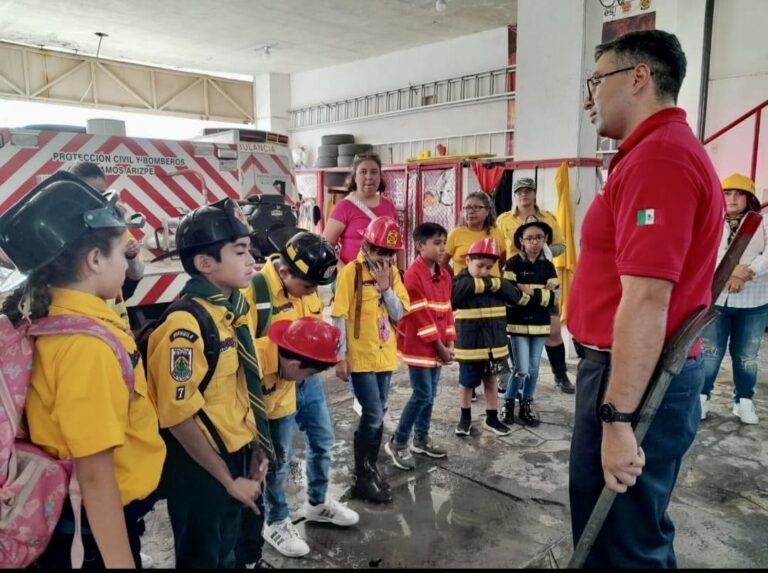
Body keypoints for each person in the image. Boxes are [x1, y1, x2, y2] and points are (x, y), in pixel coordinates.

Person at [568, 30, 723, 567]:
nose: (591, 98)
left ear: (638, 78)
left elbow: (648, 301)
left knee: (621, 543)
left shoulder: (660, 159)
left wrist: (617, 419)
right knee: (620, 531)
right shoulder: (651, 154)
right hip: (630, 370)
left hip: (634, 377)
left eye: (597, 82)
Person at [0, 171, 165, 568]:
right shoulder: (86, 347)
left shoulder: (44, 317)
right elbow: (95, 475)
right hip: (87, 524)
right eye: (123, 252)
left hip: (74, 515)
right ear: (95, 260)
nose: (128, 265)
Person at [146, 198, 273, 568]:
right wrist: (227, 480)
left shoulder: (236, 308)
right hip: (201, 466)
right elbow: (178, 416)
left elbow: (239, 389)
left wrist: (258, 448)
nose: (253, 260)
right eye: (240, 251)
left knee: (229, 552)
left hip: (239, 453)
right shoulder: (184, 327)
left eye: (251, 250)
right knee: (203, 556)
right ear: (205, 263)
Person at [244, 231, 359, 559]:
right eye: (308, 287)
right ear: (284, 273)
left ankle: (318, 502)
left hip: (306, 381)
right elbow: (241, 351)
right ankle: (276, 520)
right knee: (276, 461)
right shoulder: (255, 292)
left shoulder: (307, 288)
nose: (312, 293)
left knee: (323, 440)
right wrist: (280, 359)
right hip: (275, 388)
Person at [243, 317, 348, 562]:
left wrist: (269, 450)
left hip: (274, 408)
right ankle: (272, 522)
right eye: (308, 374)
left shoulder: (289, 372)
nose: (306, 381)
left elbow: (278, 408)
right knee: (250, 473)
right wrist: (255, 446)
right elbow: (236, 412)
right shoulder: (251, 362)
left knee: (280, 459)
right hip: (238, 424)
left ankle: (290, 513)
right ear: (293, 363)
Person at [331, 216, 410, 503]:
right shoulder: (350, 273)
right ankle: (362, 476)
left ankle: (370, 469)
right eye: (378, 250)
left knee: (378, 412)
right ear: (366, 245)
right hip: (360, 357)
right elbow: (339, 315)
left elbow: (400, 314)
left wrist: (386, 286)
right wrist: (339, 357)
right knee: (373, 414)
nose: (384, 257)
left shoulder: (394, 275)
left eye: (389, 253)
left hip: (385, 356)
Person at [385, 222, 455, 471]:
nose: (442, 248)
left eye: (443, 243)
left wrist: (450, 340)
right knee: (423, 393)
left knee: (431, 393)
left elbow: (446, 310)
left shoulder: (444, 274)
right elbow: (420, 316)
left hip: (437, 346)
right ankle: (398, 442)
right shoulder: (413, 275)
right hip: (419, 346)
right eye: (436, 243)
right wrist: (440, 347)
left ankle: (421, 439)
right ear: (420, 246)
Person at [496, 177, 575, 394]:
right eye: (520, 191)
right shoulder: (503, 220)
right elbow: (499, 249)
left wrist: (546, 250)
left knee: (553, 330)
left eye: (528, 191)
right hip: (516, 280)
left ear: (534, 193)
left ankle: (560, 375)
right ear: (515, 195)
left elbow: (562, 245)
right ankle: (518, 376)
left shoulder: (547, 218)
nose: (524, 195)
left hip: (543, 279)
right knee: (515, 331)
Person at [700, 173, 768, 425]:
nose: (732, 198)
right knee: (709, 353)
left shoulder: (764, 223)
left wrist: (746, 273)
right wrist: (730, 269)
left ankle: (743, 401)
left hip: (754, 303)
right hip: (717, 301)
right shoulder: (712, 222)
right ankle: (701, 397)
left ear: (750, 198)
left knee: (746, 355)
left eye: (739, 194)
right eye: (727, 193)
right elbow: (704, 253)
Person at [451, 237, 525, 438]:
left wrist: (495, 282)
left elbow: (515, 296)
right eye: (480, 266)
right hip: (470, 346)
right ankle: (465, 418)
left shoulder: (498, 283)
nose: (484, 271)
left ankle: (492, 418)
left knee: (491, 381)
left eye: (490, 267)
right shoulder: (460, 282)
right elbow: (454, 296)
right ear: (467, 261)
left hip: (495, 345)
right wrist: (490, 284)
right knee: (467, 383)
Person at [68, 161, 144, 326]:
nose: (97, 200)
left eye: (102, 193)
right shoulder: (64, 234)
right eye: (89, 194)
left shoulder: (116, 225)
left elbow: (136, 274)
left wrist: (131, 257)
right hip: (86, 324)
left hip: (116, 322)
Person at [501, 221, 559, 427]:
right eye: (530, 238)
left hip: (541, 325)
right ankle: (508, 402)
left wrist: (530, 292)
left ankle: (526, 404)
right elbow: (509, 294)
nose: (535, 242)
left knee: (534, 368)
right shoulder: (512, 263)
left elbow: (554, 298)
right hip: (517, 325)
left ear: (545, 240)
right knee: (521, 368)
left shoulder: (548, 266)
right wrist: (534, 297)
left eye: (539, 238)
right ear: (521, 241)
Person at [323, 153, 404, 270]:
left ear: (380, 176)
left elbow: (398, 243)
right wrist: (345, 272)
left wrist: (401, 273)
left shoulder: (388, 205)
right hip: (353, 281)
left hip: (384, 280)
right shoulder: (344, 206)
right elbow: (326, 245)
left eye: (374, 172)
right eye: (363, 172)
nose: (369, 176)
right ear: (355, 177)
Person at [445, 191, 507, 278]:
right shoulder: (455, 233)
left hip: (492, 287)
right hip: (465, 287)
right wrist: (456, 278)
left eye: (476, 207)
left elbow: (502, 259)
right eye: (467, 208)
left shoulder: (497, 232)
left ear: (487, 211)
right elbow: (442, 262)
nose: (470, 211)